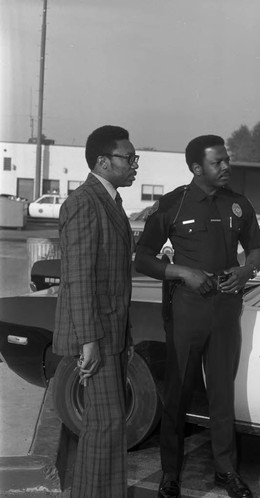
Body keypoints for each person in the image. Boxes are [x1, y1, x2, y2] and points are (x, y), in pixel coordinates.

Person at [135, 135, 260, 498]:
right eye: (217, 162)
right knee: (179, 394)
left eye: (226, 160)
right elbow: (142, 257)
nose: (226, 167)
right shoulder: (173, 205)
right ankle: (170, 473)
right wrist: (182, 272)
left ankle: (226, 471)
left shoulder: (238, 204)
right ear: (195, 168)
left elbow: (255, 251)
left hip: (225, 309)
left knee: (223, 395)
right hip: (187, 310)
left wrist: (245, 271)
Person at [53, 125, 138, 497]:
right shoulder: (83, 203)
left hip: (111, 334)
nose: (134, 165)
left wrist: (125, 337)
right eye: (128, 158)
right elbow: (78, 278)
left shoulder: (112, 201)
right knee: (104, 425)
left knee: (109, 425)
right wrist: (88, 341)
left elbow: (116, 279)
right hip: (96, 337)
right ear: (103, 162)